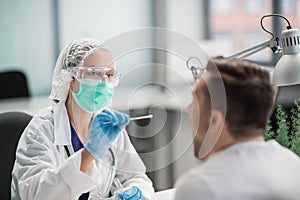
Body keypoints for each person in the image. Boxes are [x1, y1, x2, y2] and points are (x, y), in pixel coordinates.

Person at [11, 38, 155, 200]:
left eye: (109, 75)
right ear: (70, 80)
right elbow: (37, 195)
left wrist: (136, 192)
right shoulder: (41, 130)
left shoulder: (107, 124)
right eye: (93, 73)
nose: (103, 82)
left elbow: (136, 176)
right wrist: (89, 154)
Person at [175, 58, 300, 200]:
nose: (188, 109)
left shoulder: (199, 187)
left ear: (215, 121)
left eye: (194, 102)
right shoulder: (293, 166)